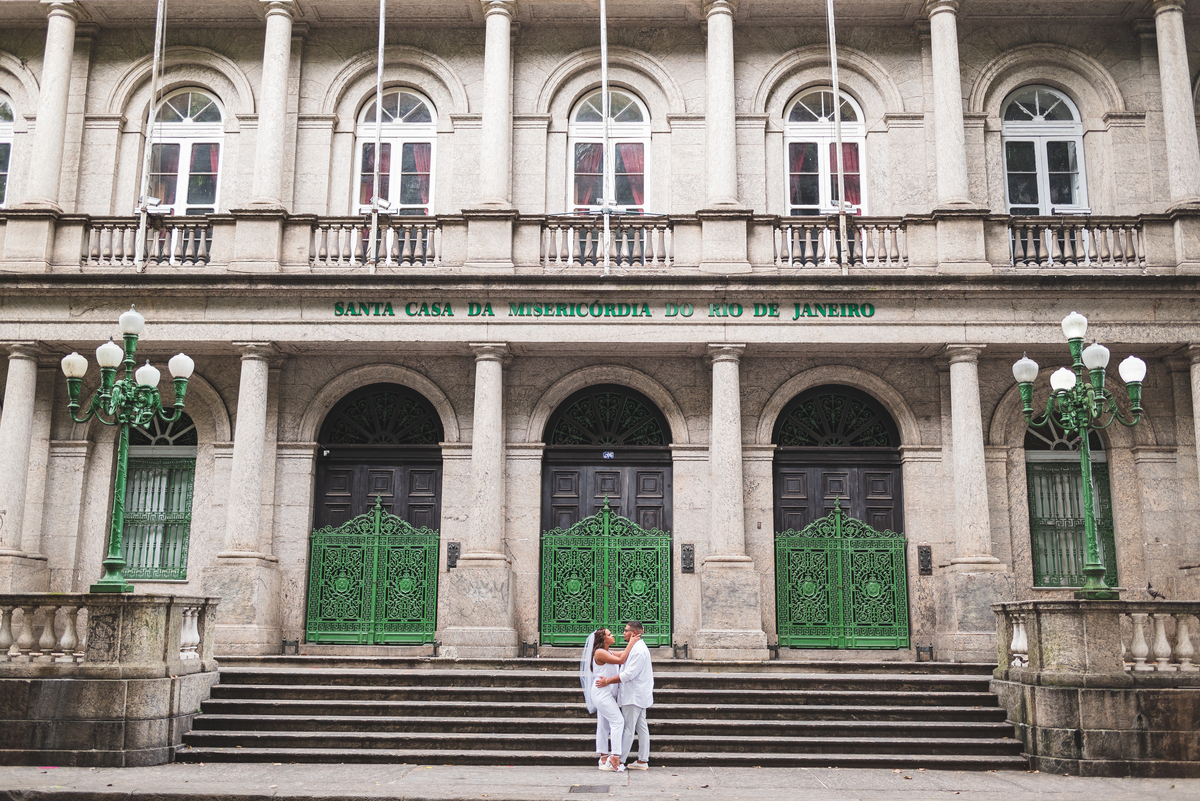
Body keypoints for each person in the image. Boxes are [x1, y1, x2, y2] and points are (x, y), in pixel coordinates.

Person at [594, 620, 653, 770]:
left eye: (625, 630)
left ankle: (620, 760)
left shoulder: (638, 650)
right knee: (641, 726)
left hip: (634, 695)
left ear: (633, 633)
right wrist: (631, 643)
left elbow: (628, 674)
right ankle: (642, 760)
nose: (622, 633)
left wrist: (608, 681)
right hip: (636, 693)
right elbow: (621, 658)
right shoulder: (635, 647)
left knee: (627, 727)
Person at [580, 626, 640, 772]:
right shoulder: (600, 652)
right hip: (602, 692)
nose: (613, 635)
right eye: (609, 634)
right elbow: (621, 660)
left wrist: (635, 644)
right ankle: (615, 756)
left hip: (606, 692)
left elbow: (623, 654)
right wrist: (631, 642)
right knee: (618, 721)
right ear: (602, 639)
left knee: (603, 724)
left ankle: (603, 757)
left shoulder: (607, 651)